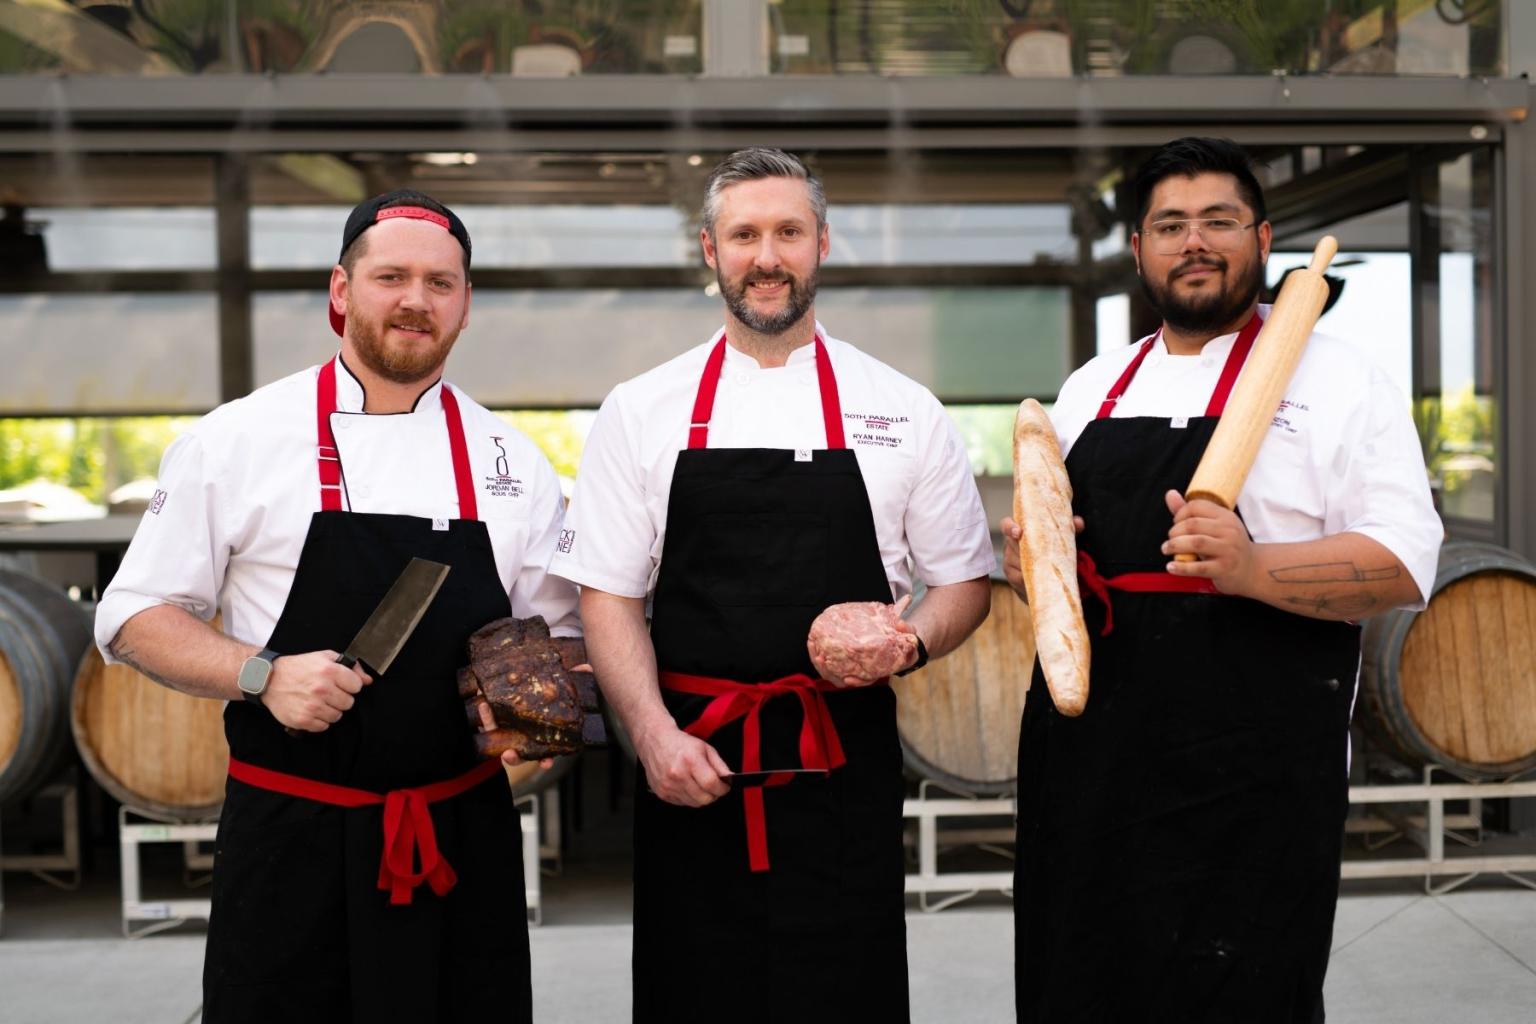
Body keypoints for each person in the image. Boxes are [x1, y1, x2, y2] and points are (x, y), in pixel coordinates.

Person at [94, 190, 579, 1023]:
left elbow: (557, 631)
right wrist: (259, 672)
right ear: (342, 290)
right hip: (292, 842)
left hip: (462, 838)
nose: (415, 300)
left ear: (466, 305)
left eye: (441, 282)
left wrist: (540, 702)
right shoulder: (239, 439)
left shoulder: (513, 458)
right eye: (391, 276)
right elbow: (132, 616)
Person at [1002, 137, 1442, 1023]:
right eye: (1169, 224)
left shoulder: (1340, 379)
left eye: (1219, 221)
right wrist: (1035, 566)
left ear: (1264, 237)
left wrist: (1254, 567)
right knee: (1077, 986)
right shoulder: (1093, 387)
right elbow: (1068, 569)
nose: (1193, 242)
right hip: (1088, 762)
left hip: (1252, 776)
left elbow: (1402, 564)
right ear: (1137, 249)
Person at [551, 147, 994, 1021]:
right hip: (694, 766)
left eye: (788, 231)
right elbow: (606, 596)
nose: (767, 255)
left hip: (843, 769)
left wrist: (909, 639)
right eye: (744, 234)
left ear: (822, 242)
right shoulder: (642, 409)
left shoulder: (902, 408)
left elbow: (963, 586)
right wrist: (652, 738)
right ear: (709, 250)